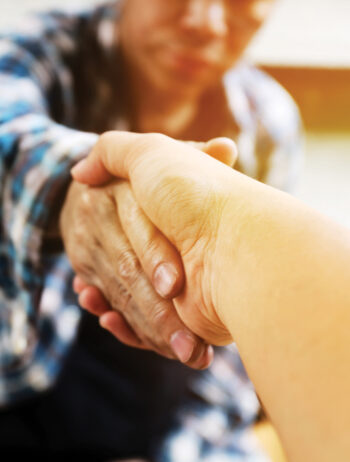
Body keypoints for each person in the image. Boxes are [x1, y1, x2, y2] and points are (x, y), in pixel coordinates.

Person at [0, 1, 302, 460]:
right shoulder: (47, 48)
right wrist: (71, 190)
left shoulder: (265, 122)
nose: (205, 21)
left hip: (140, 403)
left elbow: (232, 346)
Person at [71, 130, 350, 461]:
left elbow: (231, 377)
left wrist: (212, 231)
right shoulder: (35, 82)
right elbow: (1, 133)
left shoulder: (268, 121)